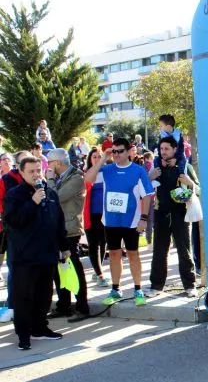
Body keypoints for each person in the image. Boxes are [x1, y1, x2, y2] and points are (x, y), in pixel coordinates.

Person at [3, 156, 69, 349]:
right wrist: (32, 203)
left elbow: (58, 221)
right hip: (25, 256)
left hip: (47, 253)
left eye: (38, 170)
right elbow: (12, 221)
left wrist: (64, 246)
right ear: (21, 172)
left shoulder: (50, 193)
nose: (35, 174)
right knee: (24, 296)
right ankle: (24, 334)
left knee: (44, 294)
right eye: (31, 171)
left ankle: (40, 328)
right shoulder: (14, 195)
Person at [84, 137, 153, 306]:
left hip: (131, 221)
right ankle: (115, 289)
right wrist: (102, 158)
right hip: (111, 221)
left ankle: (137, 289)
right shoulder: (107, 169)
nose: (116, 154)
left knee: (133, 255)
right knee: (114, 254)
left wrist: (143, 219)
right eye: (113, 151)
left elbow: (147, 195)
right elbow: (88, 179)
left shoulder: (138, 171)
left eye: (119, 151)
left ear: (129, 151)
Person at [145, 136, 198, 298]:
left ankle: (190, 285)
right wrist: (149, 177)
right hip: (161, 213)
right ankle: (156, 286)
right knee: (159, 251)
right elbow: (143, 190)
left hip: (180, 213)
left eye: (167, 149)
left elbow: (199, 189)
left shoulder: (185, 166)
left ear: (175, 149)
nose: (163, 152)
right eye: (161, 149)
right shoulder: (155, 167)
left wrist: (189, 182)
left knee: (184, 250)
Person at [45, 149, 90, 322]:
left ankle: (82, 307)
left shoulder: (76, 178)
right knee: (59, 269)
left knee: (73, 267)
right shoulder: (60, 178)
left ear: (57, 163)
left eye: (50, 163)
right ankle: (64, 305)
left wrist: (49, 180)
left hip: (70, 229)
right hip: (58, 228)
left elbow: (55, 197)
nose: (48, 166)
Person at [0, 150, 31, 322]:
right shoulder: (7, 180)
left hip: (32, 233)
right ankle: (12, 305)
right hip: (14, 232)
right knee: (14, 270)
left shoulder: (36, 181)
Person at [83, 148, 109, 287]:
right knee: (93, 245)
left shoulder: (108, 173)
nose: (97, 158)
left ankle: (97, 270)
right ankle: (100, 275)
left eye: (100, 156)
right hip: (91, 215)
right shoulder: (86, 174)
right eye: (94, 156)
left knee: (103, 243)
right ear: (90, 159)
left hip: (106, 214)